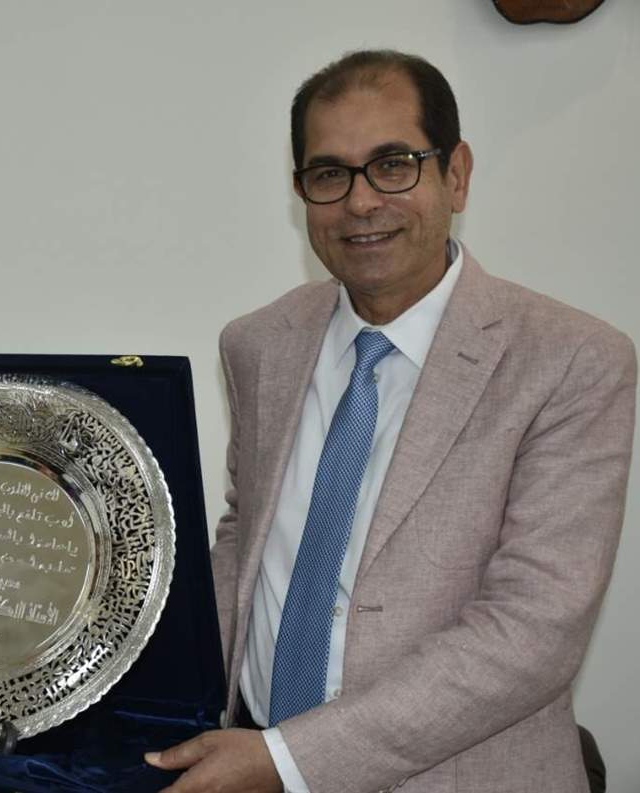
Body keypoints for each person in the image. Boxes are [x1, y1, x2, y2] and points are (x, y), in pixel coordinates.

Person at [147, 50, 635, 792]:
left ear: (456, 175)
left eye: (394, 164)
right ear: (302, 192)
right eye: (329, 174)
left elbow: (535, 628)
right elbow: (247, 537)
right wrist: (135, 680)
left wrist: (289, 761)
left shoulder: (571, 358)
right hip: (246, 753)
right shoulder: (257, 343)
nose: (361, 201)